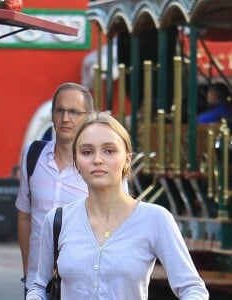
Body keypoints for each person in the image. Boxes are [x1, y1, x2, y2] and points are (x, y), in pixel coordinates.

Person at [27, 111, 209, 299]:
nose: (98, 160)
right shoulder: (58, 220)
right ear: (76, 161)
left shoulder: (155, 219)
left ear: (127, 159)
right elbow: (40, 286)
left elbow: (193, 289)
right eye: (87, 152)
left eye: (109, 151)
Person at [15, 82, 95, 294]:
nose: (65, 118)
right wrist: (28, 272)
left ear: (88, 117)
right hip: (36, 285)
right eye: (60, 110)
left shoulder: (99, 166)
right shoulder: (32, 155)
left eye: (74, 112)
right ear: (52, 115)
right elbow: (24, 215)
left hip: (82, 287)